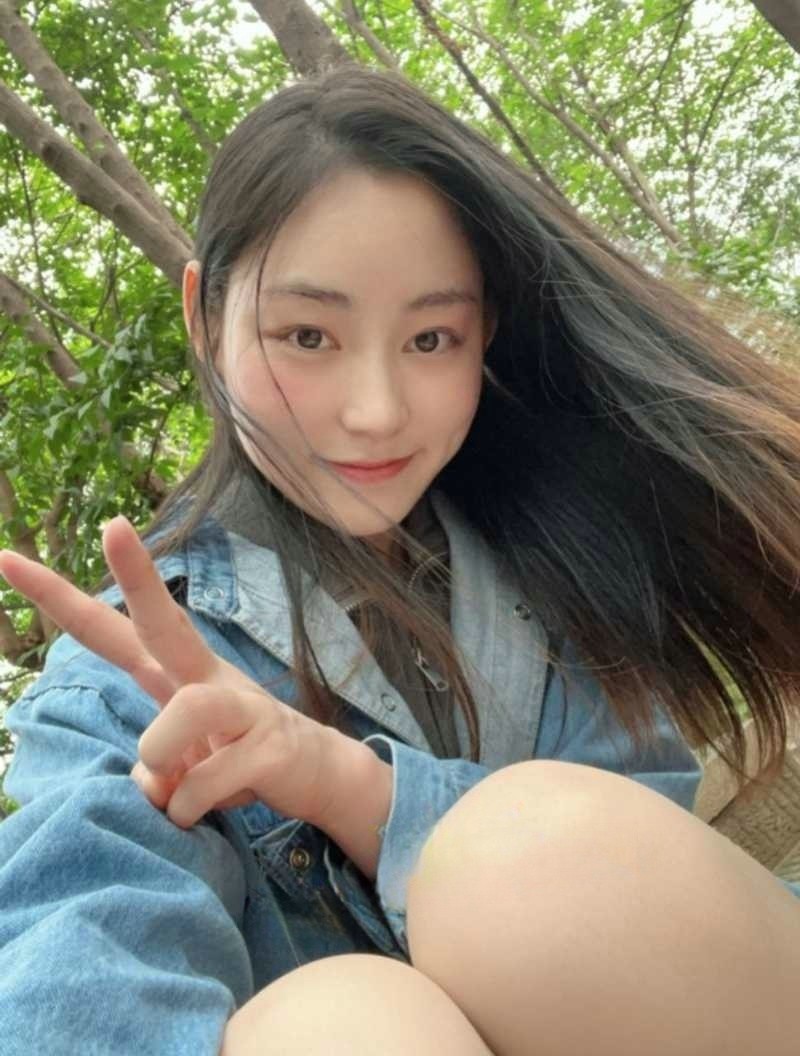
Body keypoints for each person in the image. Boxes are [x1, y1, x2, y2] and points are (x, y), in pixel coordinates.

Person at [1, 61, 799, 1056]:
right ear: (204, 319)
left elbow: (640, 914)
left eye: (430, 339)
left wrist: (359, 795)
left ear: (484, 335)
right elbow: (76, 960)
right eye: (307, 335)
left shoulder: (547, 549)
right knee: (341, 1021)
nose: (377, 411)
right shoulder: (123, 678)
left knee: (515, 852)